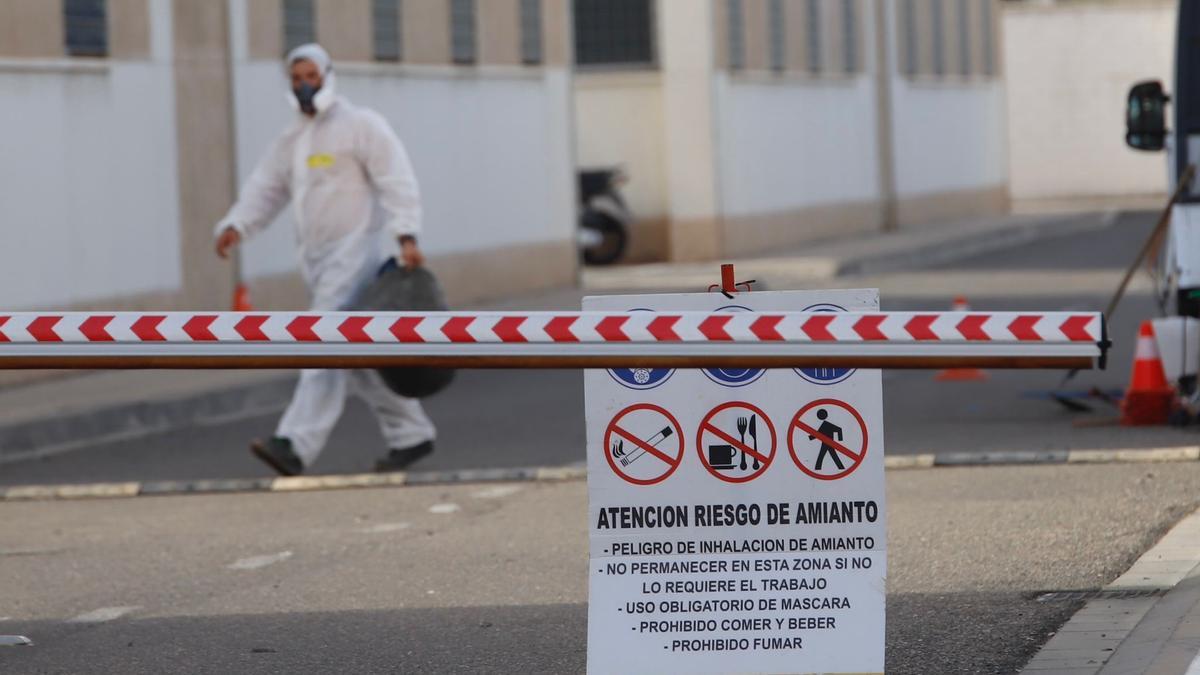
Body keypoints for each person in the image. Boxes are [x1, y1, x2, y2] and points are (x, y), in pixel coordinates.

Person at [213, 43, 436, 476]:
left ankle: (294, 444)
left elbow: (396, 177)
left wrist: (405, 232)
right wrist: (237, 225)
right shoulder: (293, 140)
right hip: (316, 260)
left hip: (358, 257)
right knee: (356, 354)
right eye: (295, 78)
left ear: (327, 74)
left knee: (322, 339)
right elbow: (266, 188)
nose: (303, 85)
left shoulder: (360, 126)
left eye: (310, 76)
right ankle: (412, 434)